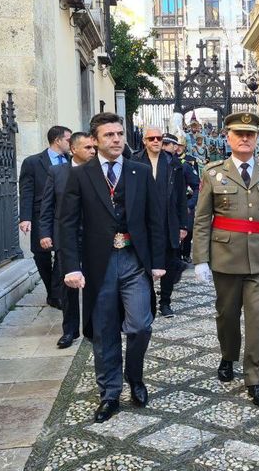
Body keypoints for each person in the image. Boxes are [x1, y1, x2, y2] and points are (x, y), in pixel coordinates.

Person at [60, 112, 166, 423]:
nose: (116, 139)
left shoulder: (139, 172)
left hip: (134, 260)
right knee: (104, 330)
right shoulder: (80, 176)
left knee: (140, 324)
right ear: (93, 140)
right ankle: (109, 392)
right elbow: (67, 224)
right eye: (108, 135)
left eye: (119, 134)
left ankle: (135, 378)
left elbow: (154, 218)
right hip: (99, 264)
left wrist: (158, 261)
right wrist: (71, 266)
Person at [192, 112, 259, 408]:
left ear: (258, 138)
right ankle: (228, 355)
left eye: (251, 134)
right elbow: (202, 219)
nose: (245, 138)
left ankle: (255, 378)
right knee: (227, 315)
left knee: (258, 319)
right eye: (239, 134)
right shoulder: (213, 173)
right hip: (225, 257)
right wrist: (200, 259)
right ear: (228, 137)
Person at [38, 132, 96, 348]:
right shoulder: (57, 172)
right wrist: (45, 233)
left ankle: (93, 326)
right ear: (73, 150)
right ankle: (69, 331)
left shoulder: (98, 171)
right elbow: (48, 206)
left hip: (93, 236)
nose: (92, 151)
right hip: (66, 236)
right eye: (87, 148)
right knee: (68, 285)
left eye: (93, 147)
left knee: (95, 282)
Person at [134, 127, 189, 318]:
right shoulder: (134, 161)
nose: (156, 141)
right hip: (142, 223)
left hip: (168, 221)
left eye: (159, 138)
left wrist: (183, 225)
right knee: (144, 262)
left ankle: (165, 301)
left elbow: (181, 196)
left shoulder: (173, 163)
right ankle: (148, 301)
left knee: (169, 262)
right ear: (145, 141)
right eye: (152, 138)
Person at [19, 125, 72, 308]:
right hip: (40, 215)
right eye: (68, 139)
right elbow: (26, 191)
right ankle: (52, 290)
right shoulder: (33, 162)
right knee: (41, 255)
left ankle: (56, 294)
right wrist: (25, 218)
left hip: (64, 216)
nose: (71, 143)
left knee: (62, 254)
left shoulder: (70, 161)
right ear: (58, 140)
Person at [173, 135, 200, 263]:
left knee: (188, 229)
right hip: (174, 201)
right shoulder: (167, 160)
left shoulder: (190, 161)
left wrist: (191, 203)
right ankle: (176, 255)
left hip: (187, 198)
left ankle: (186, 254)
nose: (178, 148)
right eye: (176, 145)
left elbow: (196, 182)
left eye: (180, 146)